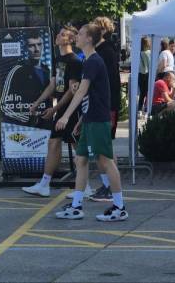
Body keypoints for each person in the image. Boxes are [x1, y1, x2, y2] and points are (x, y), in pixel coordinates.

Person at [55, 23, 128, 222]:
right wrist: (81, 119)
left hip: (98, 120)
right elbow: (90, 94)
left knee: (106, 161)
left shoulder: (93, 61)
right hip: (90, 119)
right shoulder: (88, 60)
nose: (76, 37)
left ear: (89, 39)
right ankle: (76, 206)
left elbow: (81, 91)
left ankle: (119, 207)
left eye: (80, 34)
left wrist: (66, 116)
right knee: (81, 160)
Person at [22, 25, 83, 198]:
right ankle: (44, 184)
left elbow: (72, 90)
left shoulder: (75, 61)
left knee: (78, 147)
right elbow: (53, 85)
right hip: (61, 109)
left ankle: (84, 186)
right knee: (53, 143)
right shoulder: (58, 59)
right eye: (59, 33)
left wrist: (55, 108)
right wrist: (37, 103)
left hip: (72, 110)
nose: (58, 36)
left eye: (63, 34)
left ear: (70, 40)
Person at [90, 17, 122, 202]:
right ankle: (106, 185)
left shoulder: (107, 52)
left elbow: (111, 83)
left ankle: (111, 187)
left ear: (102, 31)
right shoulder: (99, 51)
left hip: (108, 106)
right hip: (101, 105)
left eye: (95, 27)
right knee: (99, 149)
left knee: (106, 148)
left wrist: (108, 106)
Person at [0, 34, 51, 129]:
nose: (37, 49)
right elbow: (3, 105)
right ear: (25, 48)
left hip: (44, 125)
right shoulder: (18, 69)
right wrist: (28, 118)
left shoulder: (47, 70)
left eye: (39, 44)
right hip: (22, 128)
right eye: (32, 45)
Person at [138, 37, 151, 116]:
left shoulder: (138, 52)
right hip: (147, 74)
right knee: (148, 92)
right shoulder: (148, 53)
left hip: (140, 74)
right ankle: (146, 109)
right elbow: (150, 65)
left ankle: (139, 109)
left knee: (142, 93)